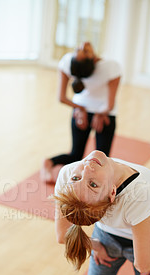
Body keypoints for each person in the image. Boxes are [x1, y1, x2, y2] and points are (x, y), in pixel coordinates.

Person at [41, 42, 122, 182]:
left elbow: (109, 104)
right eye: (82, 50)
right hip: (81, 112)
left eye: (82, 50)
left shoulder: (111, 67)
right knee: (76, 155)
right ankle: (49, 162)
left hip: (105, 114)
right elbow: (61, 97)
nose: (83, 45)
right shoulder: (68, 62)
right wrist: (79, 108)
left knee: (103, 159)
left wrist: (100, 113)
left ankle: (92, 183)